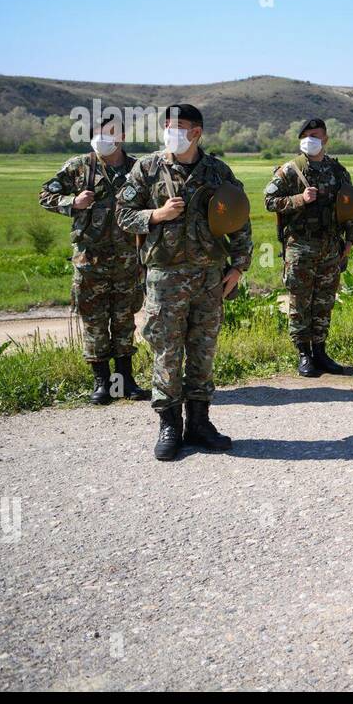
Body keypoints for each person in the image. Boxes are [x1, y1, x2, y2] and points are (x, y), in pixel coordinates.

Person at [116, 104, 252, 461]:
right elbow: (123, 214)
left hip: (209, 277)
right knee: (167, 350)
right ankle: (169, 425)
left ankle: (200, 423)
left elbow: (239, 219)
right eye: (166, 126)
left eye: (178, 127)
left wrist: (238, 267)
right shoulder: (146, 168)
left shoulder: (218, 171)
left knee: (203, 351)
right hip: (165, 277)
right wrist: (156, 215)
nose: (169, 132)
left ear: (196, 133)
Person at [39, 113, 149, 404]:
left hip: (128, 261)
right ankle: (103, 384)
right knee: (95, 323)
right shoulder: (79, 167)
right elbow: (45, 195)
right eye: (98, 132)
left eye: (110, 132)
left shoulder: (138, 168)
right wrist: (72, 202)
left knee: (124, 322)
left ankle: (125, 382)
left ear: (122, 137)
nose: (103, 137)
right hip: (90, 263)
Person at [264, 118, 353, 377]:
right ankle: (304, 353)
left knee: (324, 301)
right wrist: (298, 200)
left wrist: (349, 240)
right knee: (300, 301)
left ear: (325, 139)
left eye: (315, 135)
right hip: (300, 246)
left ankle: (321, 351)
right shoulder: (290, 170)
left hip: (330, 245)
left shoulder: (338, 171)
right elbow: (269, 201)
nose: (310, 139)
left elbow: (350, 207)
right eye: (305, 135)